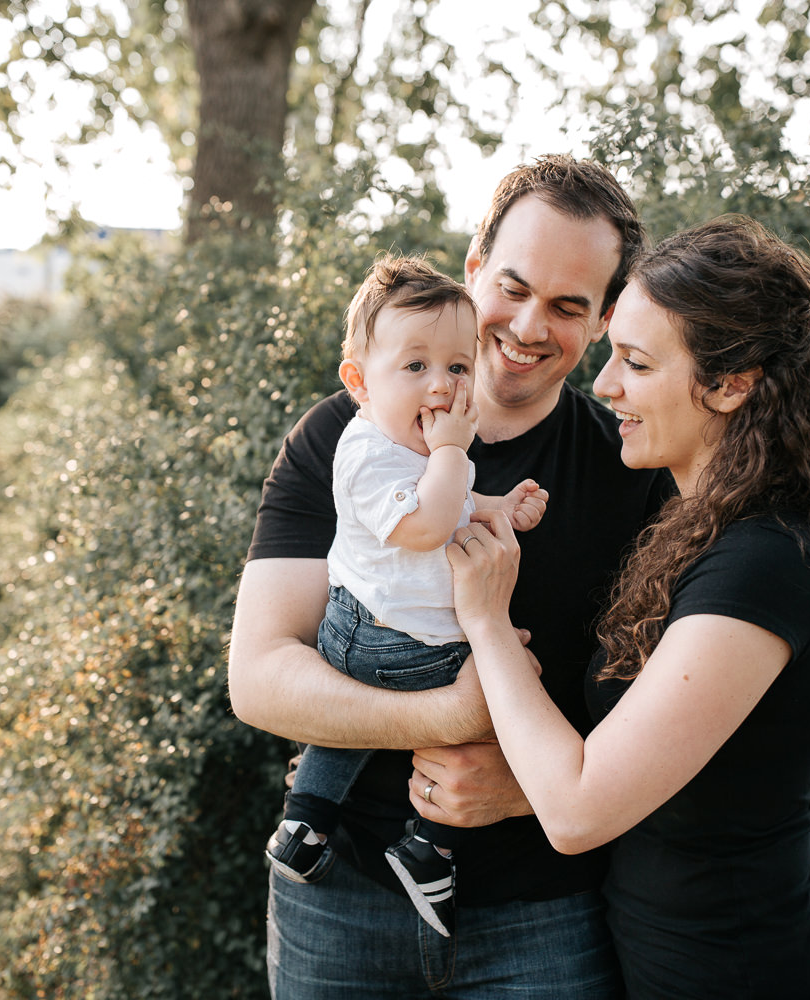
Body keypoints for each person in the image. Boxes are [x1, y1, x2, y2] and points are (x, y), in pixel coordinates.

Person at [229, 155, 673, 998]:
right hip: (340, 900)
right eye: (512, 287)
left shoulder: (635, 465)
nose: (530, 326)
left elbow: (667, 710)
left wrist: (539, 790)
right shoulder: (338, 438)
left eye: (569, 306)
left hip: (544, 913)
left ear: (605, 319)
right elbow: (259, 677)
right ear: (474, 268)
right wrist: (445, 715)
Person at [446, 214, 810, 1000]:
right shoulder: (703, 525)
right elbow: (691, 774)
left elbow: (578, 811)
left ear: (731, 384)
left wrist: (487, 623)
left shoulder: (766, 563)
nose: (603, 385)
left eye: (635, 362)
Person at [264, 253, 550, 938]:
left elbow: (450, 504)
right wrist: (454, 450)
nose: (442, 385)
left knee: (360, 725)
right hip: (382, 636)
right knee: (512, 674)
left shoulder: (419, 453)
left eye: (457, 366)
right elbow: (425, 526)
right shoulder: (365, 451)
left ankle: (305, 823)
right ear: (360, 383)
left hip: (386, 631)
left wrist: (499, 505)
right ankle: (428, 843)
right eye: (415, 367)